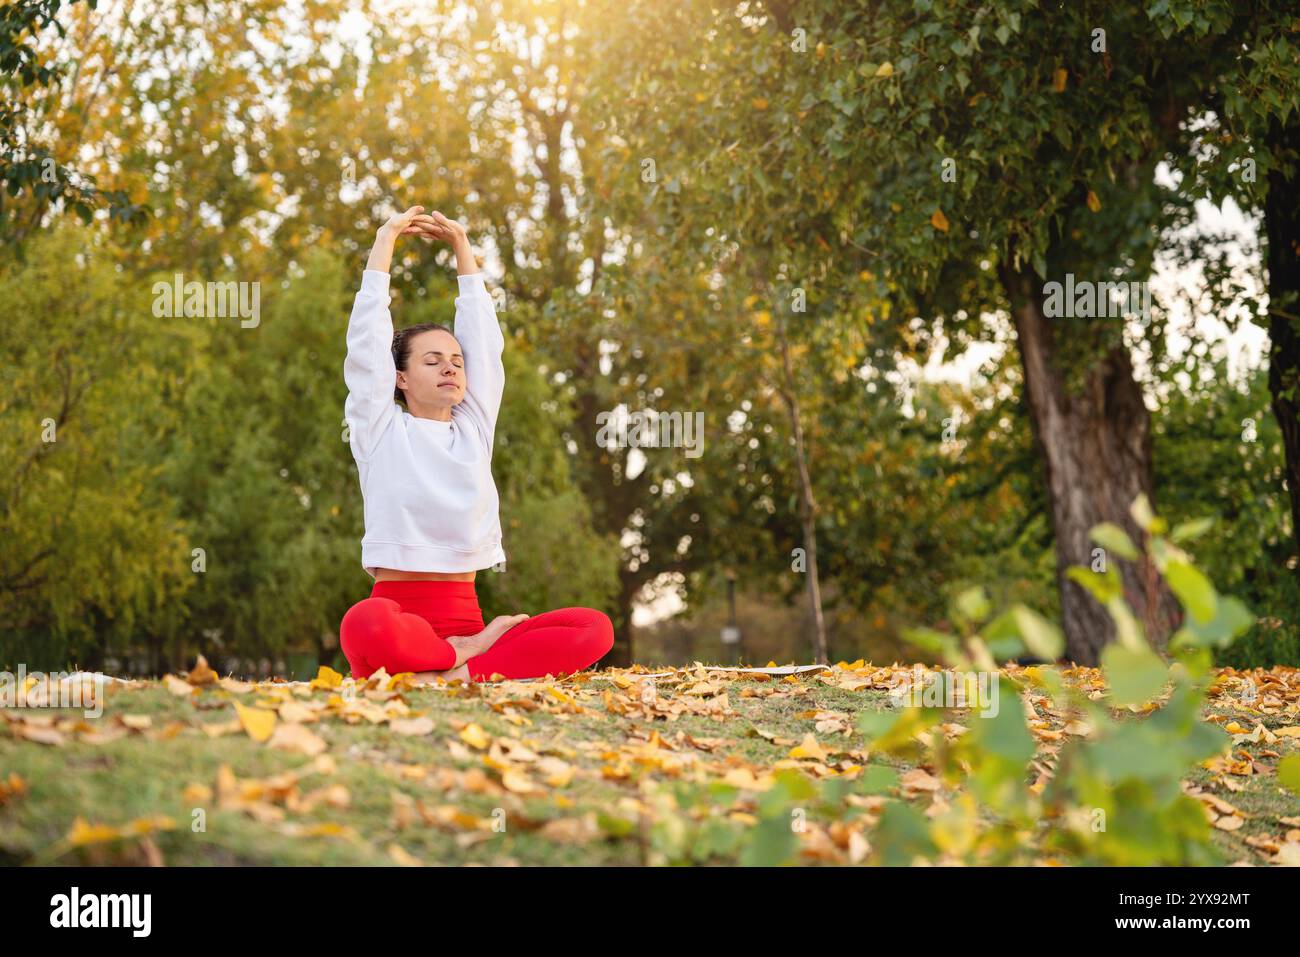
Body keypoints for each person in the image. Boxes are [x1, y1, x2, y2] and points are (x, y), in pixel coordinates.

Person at [338, 205, 613, 683]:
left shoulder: (474, 430)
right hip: (399, 624)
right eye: (432, 361)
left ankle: (450, 669)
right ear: (399, 377)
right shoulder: (380, 428)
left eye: (455, 361)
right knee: (363, 622)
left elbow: (484, 345)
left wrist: (463, 248)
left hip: (467, 622)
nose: (450, 367)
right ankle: (462, 662)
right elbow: (366, 345)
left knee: (594, 628)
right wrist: (385, 242)